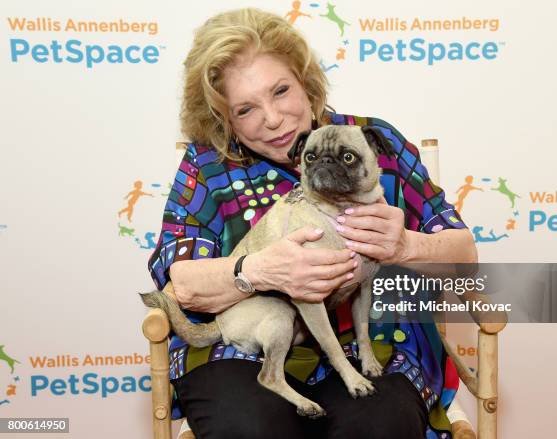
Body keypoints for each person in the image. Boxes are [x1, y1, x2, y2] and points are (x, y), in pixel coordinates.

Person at [147, 8, 477, 439]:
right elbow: (181, 283)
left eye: (281, 90)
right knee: (249, 427)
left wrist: (405, 247)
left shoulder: (376, 139)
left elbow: (465, 256)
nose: (272, 118)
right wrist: (260, 271)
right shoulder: (208, 167)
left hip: (378, 342)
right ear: (224, 119)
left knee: (377, 427)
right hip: (245, 348)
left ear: (306, 81)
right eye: (245, 109)